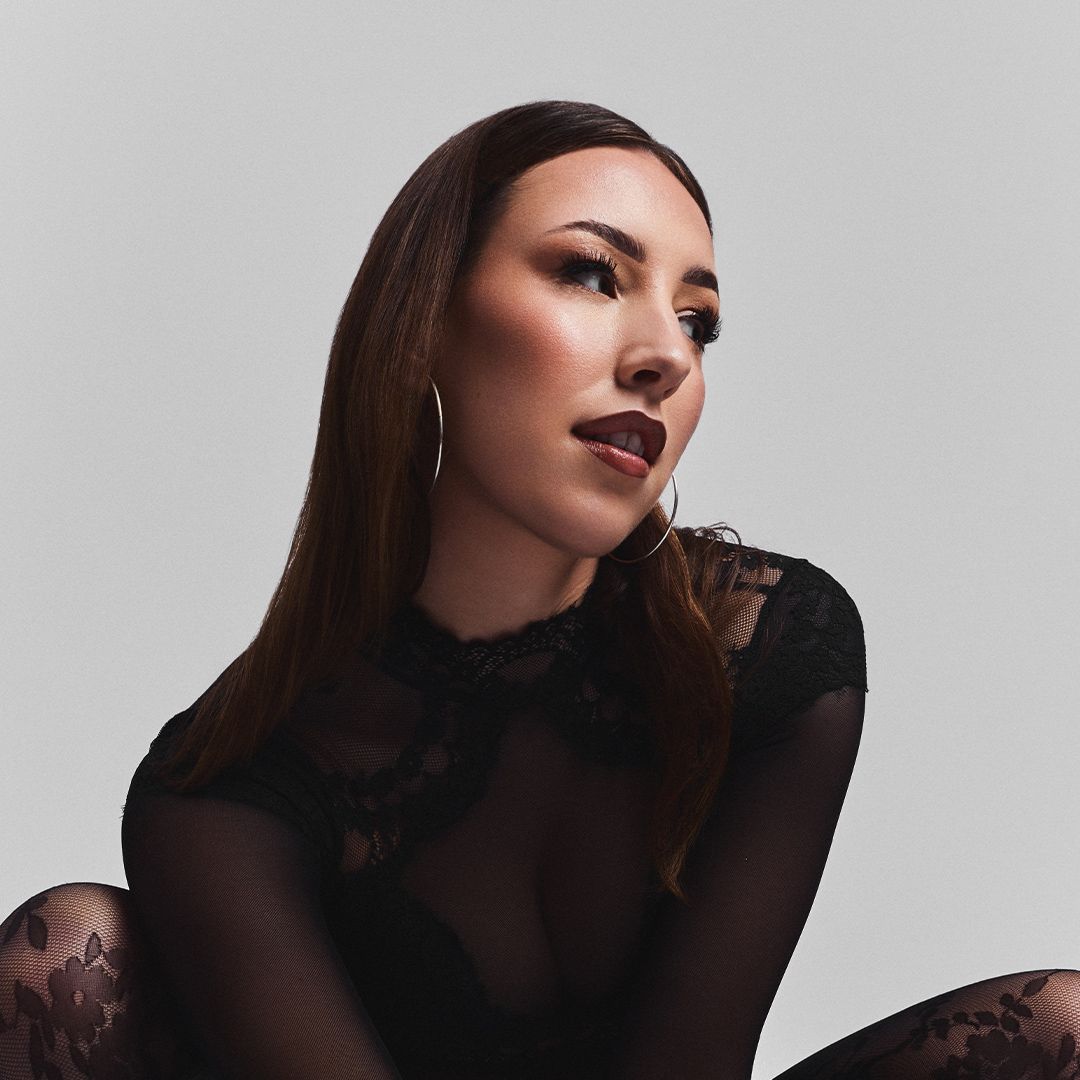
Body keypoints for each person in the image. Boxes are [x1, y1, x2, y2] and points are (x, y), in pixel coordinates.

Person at [0, 99, 1075, 1080]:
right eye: (593, 274)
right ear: (425, 320)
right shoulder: (226, 792)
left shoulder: (771, 645)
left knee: (1058, 1031)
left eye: (698, 321)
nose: (666, 356)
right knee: (72, 954)